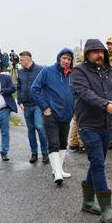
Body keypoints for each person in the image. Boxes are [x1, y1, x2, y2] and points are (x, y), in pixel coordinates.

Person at [73, 39, 112, 223]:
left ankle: (87, 202)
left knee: (98, 162)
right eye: (95, 52)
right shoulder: (79, 72)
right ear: (87, 54)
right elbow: (86, 94)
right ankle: (106, 209)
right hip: (88, 125)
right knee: (97, 163)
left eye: (101, 51)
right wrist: (106, 105)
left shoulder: (108, 71)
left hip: (105, 125)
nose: (99, 55)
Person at [31, 48, 75, 186]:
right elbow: (35, 89)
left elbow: (78, 93)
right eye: (64, 58)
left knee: (63, 143)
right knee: (54, 143)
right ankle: (56, 173)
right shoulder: (47, 71)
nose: (66, 61)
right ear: (59, 58)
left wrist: (74, 109)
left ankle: (59, 169)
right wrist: (44, 107)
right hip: (51, 114)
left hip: (67, 115)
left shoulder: (73, 75)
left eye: (69, 59)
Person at [17, 51, 49, 164]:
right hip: (26, 105)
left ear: (28, 59)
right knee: (30, 130)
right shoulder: (20, 72)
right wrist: (19, 101)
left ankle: (45, 153)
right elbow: (19, 87)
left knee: (40, 127)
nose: (19, 62)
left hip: (37, 105)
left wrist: (45, 104)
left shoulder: (41, 70)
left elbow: (46, 87)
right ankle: (34, 153)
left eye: (21, 60)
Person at [68, 52, 85, 153]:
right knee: (81, 122)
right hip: (80, 99)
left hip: (74, 99)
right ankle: (82, 144)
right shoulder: (82, 70)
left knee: (75, 121)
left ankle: (73, 142)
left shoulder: (73, 70)